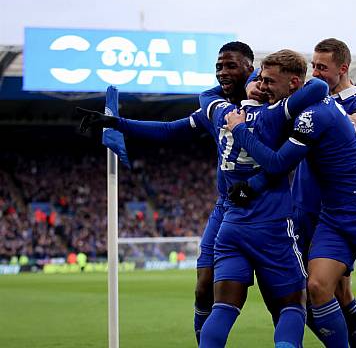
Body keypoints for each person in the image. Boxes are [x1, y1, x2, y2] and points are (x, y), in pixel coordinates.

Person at [226, 48, 356, 348]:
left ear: (294, 84)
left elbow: (277, 163)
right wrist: (251, 186)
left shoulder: (313, 114)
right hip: (332, 212)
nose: (264, 87)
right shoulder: (300, 107)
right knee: (317, 287)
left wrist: (241, 130)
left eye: (270, 81)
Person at [78, 42, 258, 345]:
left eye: (230, 66)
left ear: (250, 69)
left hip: (270, 208)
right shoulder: (213, 109)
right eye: (218, 67)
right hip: (227, 207)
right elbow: (168, 130)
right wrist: (117, 123)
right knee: (204, 287)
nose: (222, 73)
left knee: (286, 298)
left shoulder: (270, 103)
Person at [199, 49, 329, 348]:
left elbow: (205, 97)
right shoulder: (275, 114)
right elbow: (319, 87)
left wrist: (232, 85)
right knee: (293, 305)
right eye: (260, 80)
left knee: (222, 308)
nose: (264, 85)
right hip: (271, 226)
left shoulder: (222, 113)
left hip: (231, 226)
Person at [295, 37, 356, 348]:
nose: (314, 73)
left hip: (336, 210)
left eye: (321, 67)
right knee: (298, 291)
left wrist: (327, 120)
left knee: (334, 291)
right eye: (312, 66)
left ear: (343, 69)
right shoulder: (311, 98)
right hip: (303, 206)